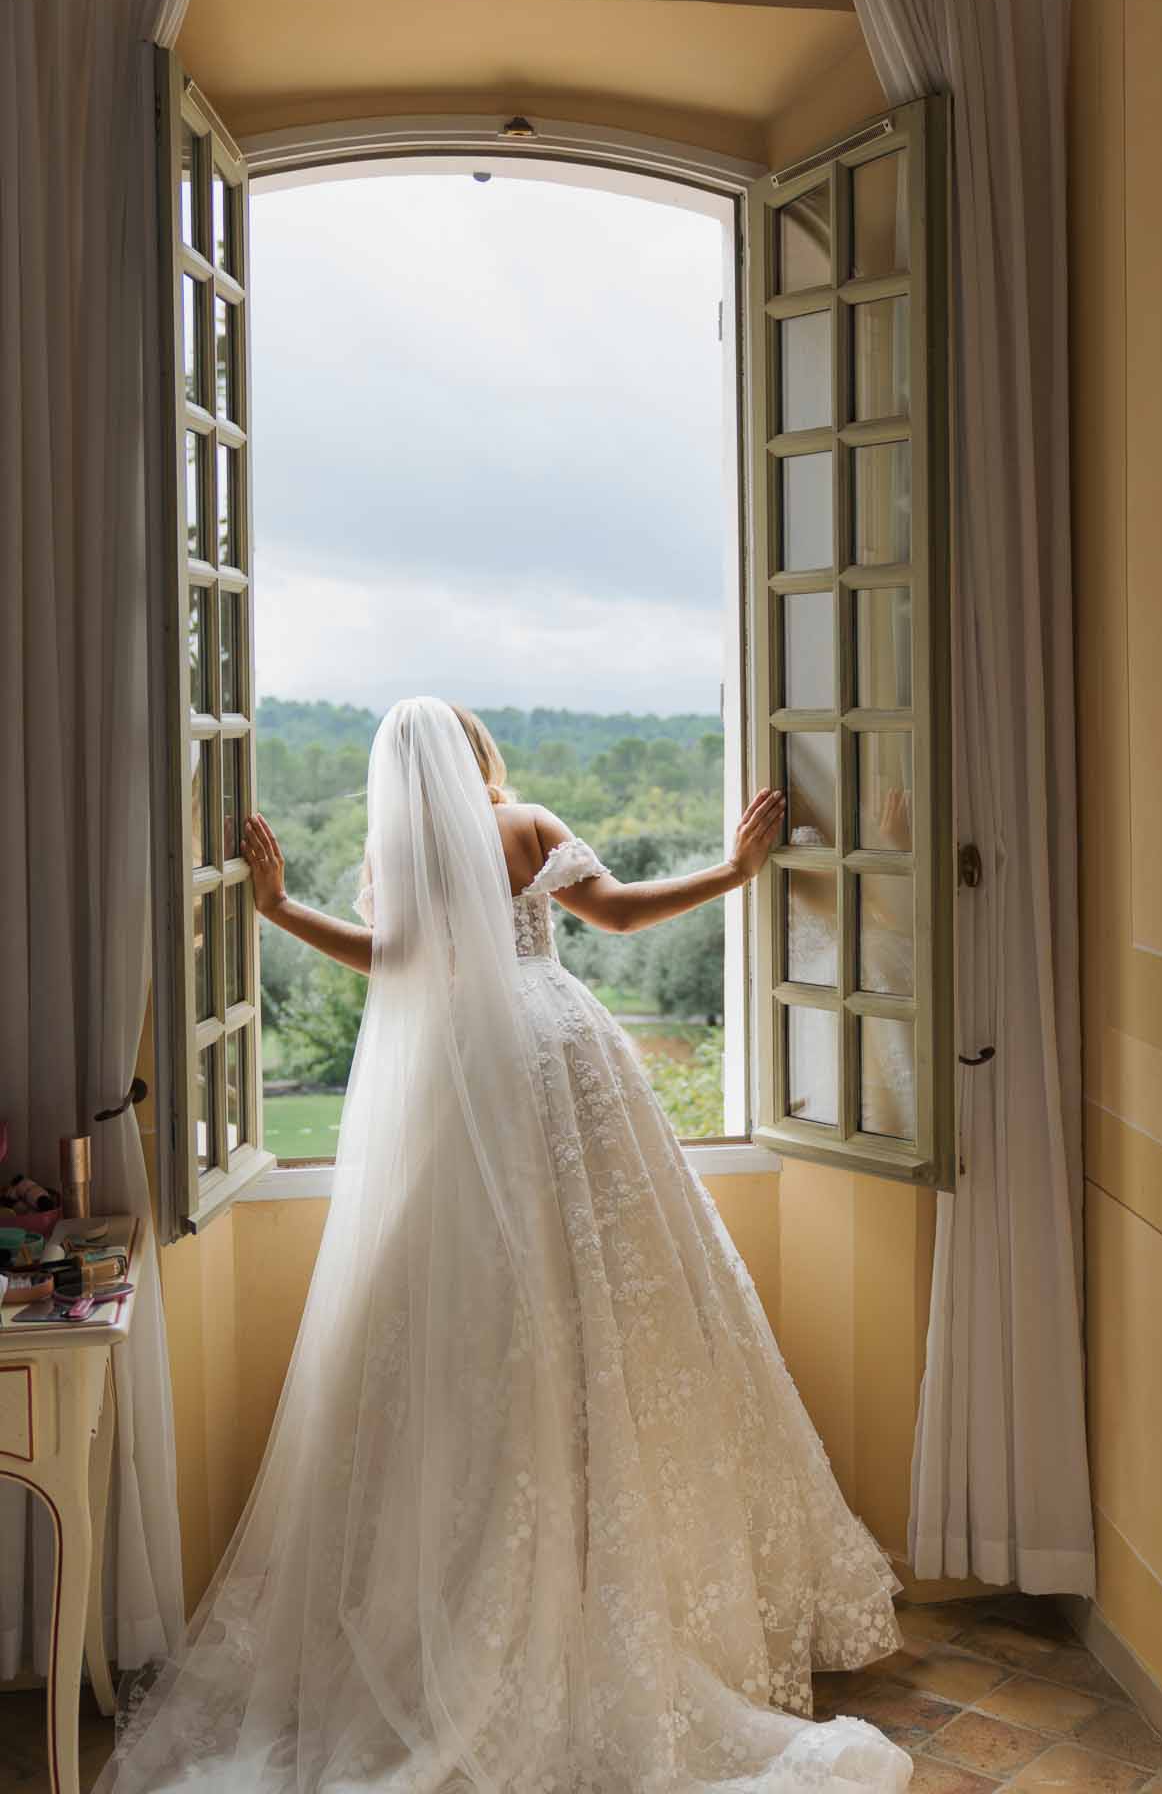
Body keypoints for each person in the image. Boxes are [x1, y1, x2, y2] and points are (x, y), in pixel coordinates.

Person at [98, 699, 913, 1792]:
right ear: (479, 754)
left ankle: (484, 1602)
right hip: (565, 1052)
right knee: (626, 1307)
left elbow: (386, 959)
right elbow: (618, 916)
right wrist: (733, 871)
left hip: (466, 1079)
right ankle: (630, 1582)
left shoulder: (409, 854)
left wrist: (280, 907)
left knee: (478, 1334)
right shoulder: (521, 821)